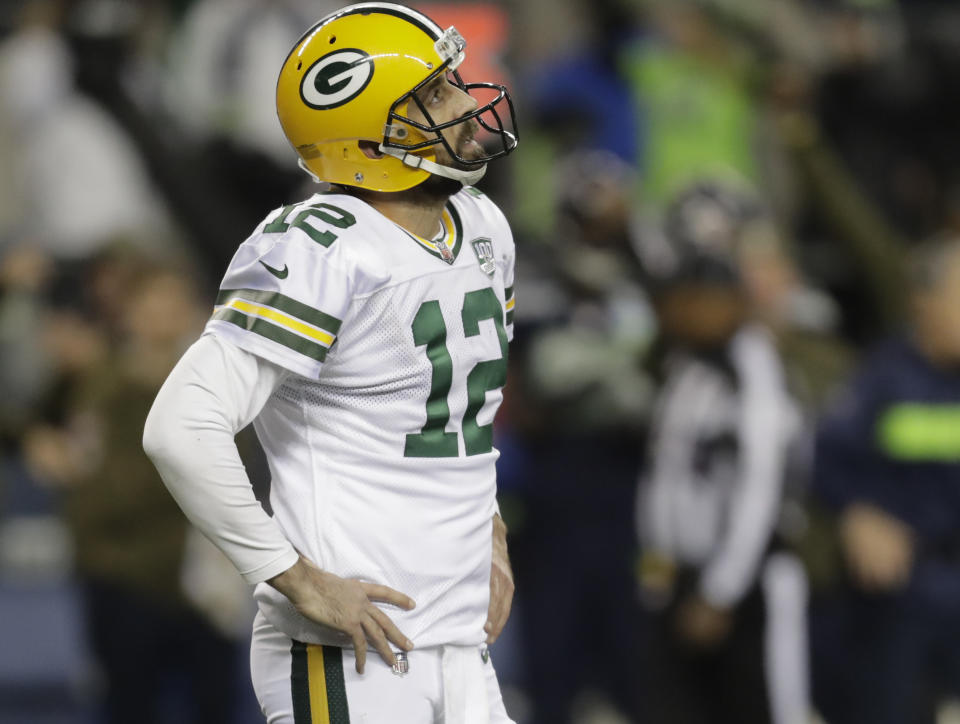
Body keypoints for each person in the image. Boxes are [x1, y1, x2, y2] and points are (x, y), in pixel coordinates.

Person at [142, 4, 519, 723]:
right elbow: (181, 428)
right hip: (353, 651)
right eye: (435, 93)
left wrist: (490, 531)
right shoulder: (320, 245)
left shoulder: (482, 224)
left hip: (458, 640)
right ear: (372, 134)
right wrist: (293, 577)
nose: (465, 103)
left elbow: (456, 412)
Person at [812, 234, 960, 724]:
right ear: (923, 300)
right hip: (905, 591)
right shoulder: (882, 379)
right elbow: (826, 460)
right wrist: (857, 513)